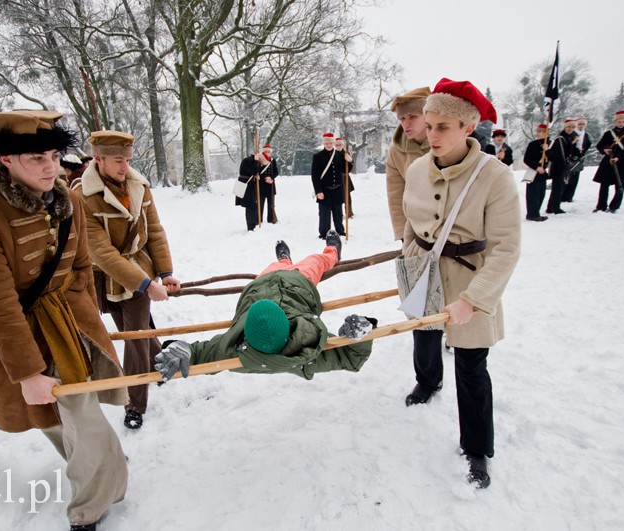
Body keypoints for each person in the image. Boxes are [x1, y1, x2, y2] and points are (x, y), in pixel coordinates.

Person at [0, 110, 128, 531]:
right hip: (15, 329)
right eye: (36, 158)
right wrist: (29, 372)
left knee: (82, 416)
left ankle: (90, 504)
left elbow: (82, 268)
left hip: (69, 324)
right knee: (47, 416)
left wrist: (85, 322)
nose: (51, 167)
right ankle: (98, 464)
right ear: (6, 160)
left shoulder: (66, 197)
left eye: (53, 155)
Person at [402, 79, 521, 488]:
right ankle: (426, 379)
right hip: (423, 268)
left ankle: (476, 448)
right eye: (429, 125)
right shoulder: (417, 169)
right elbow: (412, 224)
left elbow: (506, 249)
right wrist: (408, 265)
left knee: (471, 365)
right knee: (423, 334)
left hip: (471, 276)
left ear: (468, 128)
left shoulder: (496, 177)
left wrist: (475, 299)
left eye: (442, 127)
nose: (430, 135)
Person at [154, 231, 377, 382]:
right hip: (297, 284)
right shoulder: (307, 347)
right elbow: (351, 358)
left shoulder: (230, 348)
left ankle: (284, 259)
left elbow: (200, 353)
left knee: (275, 265)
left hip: (259, 285)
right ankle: (332, 251)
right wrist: (360, 333)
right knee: (316, 261)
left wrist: (182, 349)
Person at [74, 130, 180, 431]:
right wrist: (147, 285)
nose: (125, 166)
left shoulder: (140, 187)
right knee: (136, 330)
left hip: (139, 271)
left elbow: (155, 232)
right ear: (99, 159)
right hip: (104, 277)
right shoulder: (82, 196)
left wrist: (165, 272)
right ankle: (162, 362)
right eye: (118, 160)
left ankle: (136, 404)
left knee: (133, 338)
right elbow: (102, 252)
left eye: (128, 160)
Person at [386, 86, 431, 242]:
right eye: (402, 118)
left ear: (428, 115)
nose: (406, 123)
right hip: (416, 229)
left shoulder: (447, 142)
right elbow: (396, 194)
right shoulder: (396, 151)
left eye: (412, 116)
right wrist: (403, 234)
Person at [592, 110, 624, 213]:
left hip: (621, 161)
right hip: (608, 161)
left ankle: (614, 206)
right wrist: (604, 150)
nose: (621, 123)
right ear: (615, 121)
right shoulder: (609, 133)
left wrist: (618, 157)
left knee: (620, 185)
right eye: (619, 121)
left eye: (623, 121)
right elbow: (599, 145)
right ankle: (601, 206)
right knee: (604, 185)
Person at [311, 132, 352, 239]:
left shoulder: (339, 155)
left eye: (330, 143)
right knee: (324, 214)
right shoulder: (317, 157)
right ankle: (324, 233)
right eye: (327, 143)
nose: (329, 145)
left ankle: (340, 231)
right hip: (324, 190)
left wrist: (349, 161)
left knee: (338, 214)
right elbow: (315, 176)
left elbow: (345, 170)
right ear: (324, 143)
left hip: (338, 189)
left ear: (333, 143)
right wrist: (318, 191)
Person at [236, 147, 276, 230]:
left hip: (252, 187)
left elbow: (255, 172)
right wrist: (257, 165)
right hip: (247, 187)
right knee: (251, 206)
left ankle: (254, 225)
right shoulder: (248, 161)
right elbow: (254, 171)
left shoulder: (256, 162)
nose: (261, 165)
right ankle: (252, 226)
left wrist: (268, 178)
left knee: (253, 206)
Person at [545, 119, 577, 215]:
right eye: (568, 126)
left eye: (572, 127)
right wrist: (572, 144)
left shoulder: (571, 137)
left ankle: (551, 207)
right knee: (557, 188)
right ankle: (555, 207)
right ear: (564, 127)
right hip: (559, 166)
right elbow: (562, 154)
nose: (570, 129)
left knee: (559, 188)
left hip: (564, 166)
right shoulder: (560, 139)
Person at [522, 124, 550, 222]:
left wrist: (548, 150)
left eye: (541, 131)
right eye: (537, 131)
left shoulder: (550, 144)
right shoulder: (533, 144)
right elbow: (526, 159)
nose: (538, 133)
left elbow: (554, 157)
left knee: (541, 194)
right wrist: (537, 167)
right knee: (532, 194)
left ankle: (536, 212)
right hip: (534, 172)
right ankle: (532, 214)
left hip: (543, 173)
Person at [562, 117, 592, 202]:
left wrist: (583, 150)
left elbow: (588, 143)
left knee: (575, 179)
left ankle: (569, 196)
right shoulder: (573, 133)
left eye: (583, 124)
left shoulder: (585, 135)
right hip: (570, 157)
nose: (581, 126)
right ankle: (563, 196)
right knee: (567, 177)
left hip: (579, 158)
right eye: (579, 124)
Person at [336, 137, 356, 218]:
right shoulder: (333, 154)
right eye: (337, 145)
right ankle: (338, 212)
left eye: (340, 144)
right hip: (336, 178)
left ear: (342, 145)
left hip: (345, 177)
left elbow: (350, 168)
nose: (338, 146)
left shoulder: (346, 154)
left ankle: (349, 212)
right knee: (338, 195)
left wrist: (350, 161)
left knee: (347, 195)